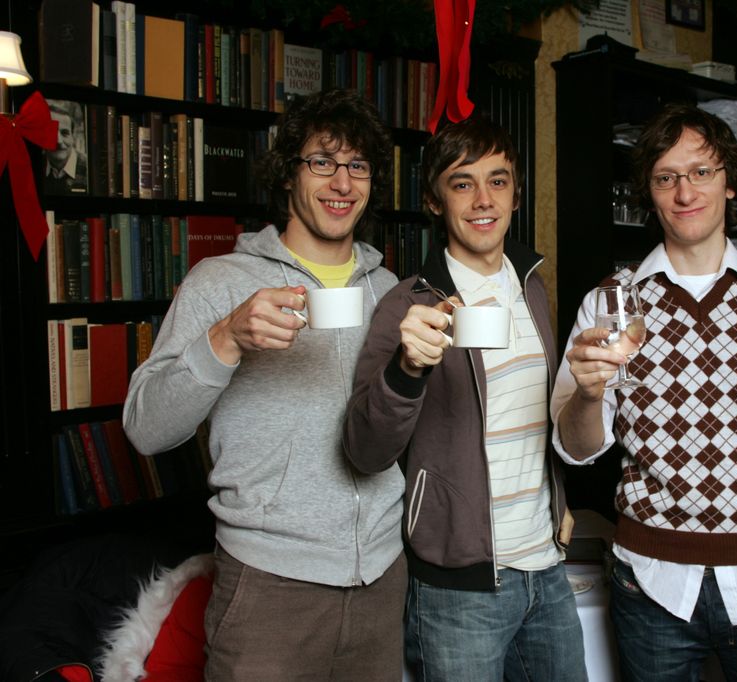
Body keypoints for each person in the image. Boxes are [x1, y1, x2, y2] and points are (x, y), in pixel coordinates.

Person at [550, 103, 737, 681]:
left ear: (729, 183)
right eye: (667, 177)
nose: (686, 192)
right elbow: (577, 449)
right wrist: (585, 396)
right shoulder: (610, 303)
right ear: (650, 193)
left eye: (702, 172)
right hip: (649, 584)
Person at [122, 88, 406, 680]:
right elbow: (145, 429)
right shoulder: (221, 282)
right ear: (287, 175)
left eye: (358, 165)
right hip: (268, 585)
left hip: (383, 579)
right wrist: (226, 337)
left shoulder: (391, 289)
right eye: (322, 161)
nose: (342, 182)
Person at [344, 114, 586, 681]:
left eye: (497, 181)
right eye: (462, 182)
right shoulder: (406, 305)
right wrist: (407, 370)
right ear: (435, 200)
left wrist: (559, 499)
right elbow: (363, 449)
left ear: (516, 195)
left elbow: (538, 416)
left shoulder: (534, 287)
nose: (483, 199)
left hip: (546, 570)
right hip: (458, 588)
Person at [44, 100, 88, 195]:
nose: (58, 141)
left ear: (73, 136)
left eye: (65, 133)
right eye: (52, 132)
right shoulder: (33, 168)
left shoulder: (90, 169)